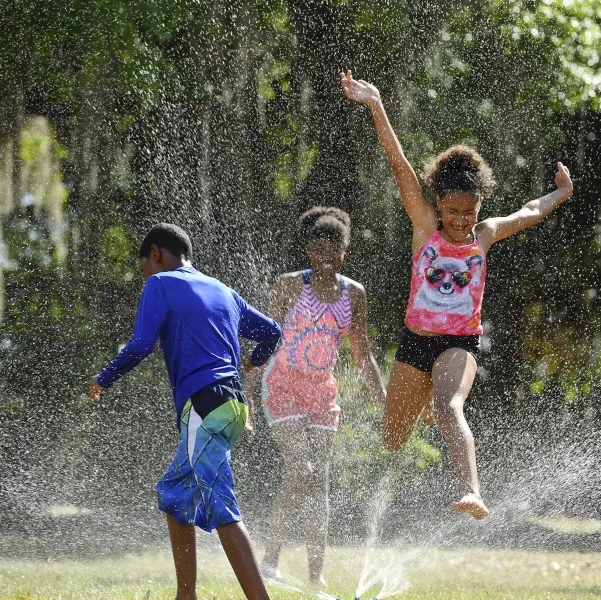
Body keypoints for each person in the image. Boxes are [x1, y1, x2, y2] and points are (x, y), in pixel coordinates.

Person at [340, 70, 574, 520]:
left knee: (449, 408)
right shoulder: (425, 227)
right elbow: (399, 164)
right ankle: (422, 399)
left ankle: (472, 491)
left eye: (469, 212)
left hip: (458, 343)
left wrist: (560, 194)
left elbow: (528, 212)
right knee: (392, 438)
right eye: (452, 211)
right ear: (439, 205)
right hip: (415, 342)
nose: (461, 221)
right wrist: (377, 105)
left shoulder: (483, 236)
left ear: (480, 207)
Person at [87, 223, 281, 600]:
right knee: (175, 495)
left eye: (144, 267)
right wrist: (253, 363)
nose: (145, 277)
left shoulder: (160, 284)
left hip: (204, 404)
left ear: (156, 254)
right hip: (233, 403)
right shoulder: (225, 291)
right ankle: (185, 595)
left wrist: (103, 379)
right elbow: (272, 331)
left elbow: (142, 344)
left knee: (221, 503)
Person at [245, 206, 387, 586]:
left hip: (322, 392)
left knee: (319, 479)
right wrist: (247, 395)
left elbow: (362, 354)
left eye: (333, 254)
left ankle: (315, 575)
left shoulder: (354, 294)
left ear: (345, 251)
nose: (325, 262)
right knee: (300, 469)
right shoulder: (290, 285)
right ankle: (270, 561)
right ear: (309, 251)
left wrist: (386, 402)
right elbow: (265, 340)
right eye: (318, 253)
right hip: (283, 384)